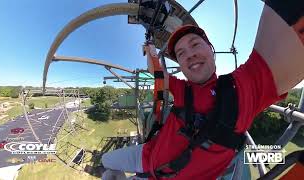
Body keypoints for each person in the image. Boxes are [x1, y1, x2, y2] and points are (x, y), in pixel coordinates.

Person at [101, 2, 304, 180]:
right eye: (181, 53)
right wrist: (150, 48)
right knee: (106, 160)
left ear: (211, 49)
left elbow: (287, 40)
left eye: (195, 44)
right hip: (146, 156)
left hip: (158, 173)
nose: (189, 55)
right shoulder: (183, 89)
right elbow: (157, 72)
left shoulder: (242, 88)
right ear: (180, 63)